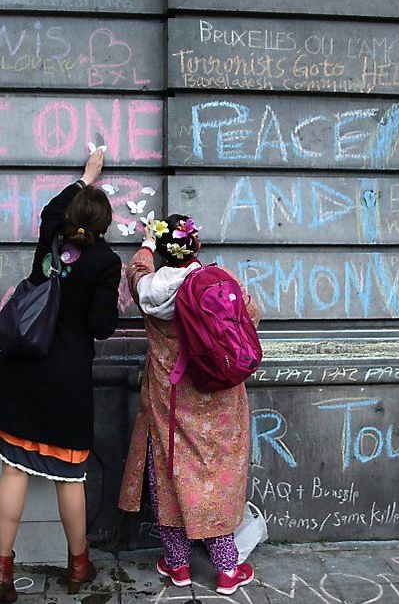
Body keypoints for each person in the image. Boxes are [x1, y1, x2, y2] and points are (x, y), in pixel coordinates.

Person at [0, 149, 121, 602]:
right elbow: (102, 327)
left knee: (13, 471)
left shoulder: (51, 239)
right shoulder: (106, 263)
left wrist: (85, 178)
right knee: (69, 479)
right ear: (104, 227)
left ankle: (1, 572)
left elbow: (50, 211)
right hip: (65, 383)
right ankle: (79, 565)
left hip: (22, 373)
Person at [118, 213, 260, 596]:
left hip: (171, 397)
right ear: (195, 246)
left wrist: (147, 242)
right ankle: (227, 569)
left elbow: (136, 272)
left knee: (169, 473)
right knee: (217, 478)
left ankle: (178, 564)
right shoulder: (220, 283)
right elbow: (251, 318)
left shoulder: (148, 291)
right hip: (220, 398)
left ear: (164, 252)